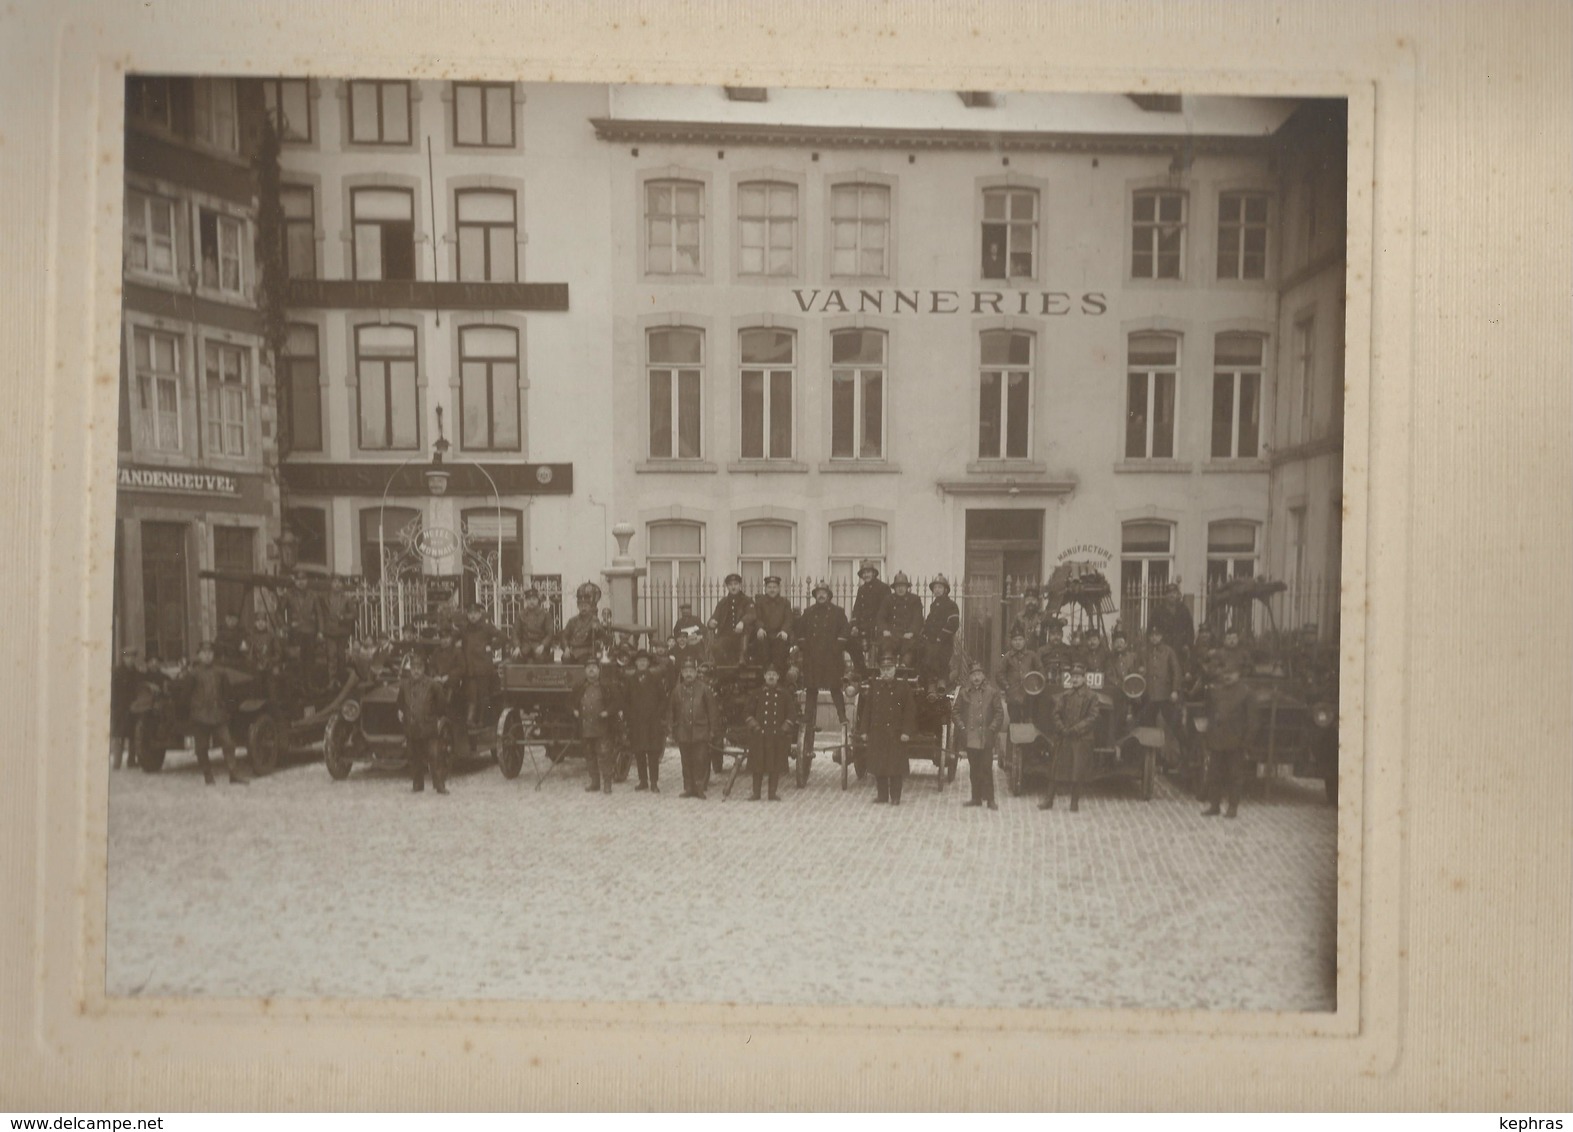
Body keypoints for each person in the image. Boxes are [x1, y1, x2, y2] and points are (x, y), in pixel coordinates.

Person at [176, 642, 250, 786]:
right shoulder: (193, 674)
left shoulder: (220, 672)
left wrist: (228, 710)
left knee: (228, 744)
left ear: (213, 655)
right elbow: (184, 697)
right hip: (200, 717)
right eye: (204, 653)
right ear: (199, 655)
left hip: (218, 716)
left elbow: (228, 694)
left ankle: (233, 774)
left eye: (210, 652)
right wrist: (188, 714)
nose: (207, 655)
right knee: (201, 748)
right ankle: (208, 776)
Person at [795, 580, 850, 745]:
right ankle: (808, 716)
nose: (821, 595)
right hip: (813, 657)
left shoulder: (838, 613)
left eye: (824, 593)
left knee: (835, 687)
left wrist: (837, 647)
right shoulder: (808, 612)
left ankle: (842, 716)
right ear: (815, 595)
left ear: (829, 595)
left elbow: (844, 631)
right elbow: (801, 632)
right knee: (812, 689)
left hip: (831, 657)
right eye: (818, 593)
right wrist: (805, 646)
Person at [1202, 659, 1258, 818]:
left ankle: (1233, 807)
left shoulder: (1246, 693)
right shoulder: (1216, 691)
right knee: (1214, 774)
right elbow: (1211, 715)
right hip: (1217, 741)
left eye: (1231, 674)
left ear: (1238, 674)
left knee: (1235, 776)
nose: (1227, 677)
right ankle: (1214, 805)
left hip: (1236, 742)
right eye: (1225, 673)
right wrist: (1209, 736)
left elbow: (1253, 722)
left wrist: (1246, 743)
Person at [859, 652, 916, 805]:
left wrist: (906, 732)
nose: (886, 672)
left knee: (896, 767)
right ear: (880, 670)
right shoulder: (875, 687)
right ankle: (882, 796)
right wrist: (864, 731)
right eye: (883, 669)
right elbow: (867, 711)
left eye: (889, 669)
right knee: (880, 766)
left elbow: (910, 712)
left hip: (896, 734)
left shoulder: (903, 688)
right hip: (878, 733)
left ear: (895, 669)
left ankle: (896, 796)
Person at [1042, 662, 1099, 812]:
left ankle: (1074, 803)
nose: (1075, 679)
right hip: (1064, 737)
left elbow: (1092, 718)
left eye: (1078, 677)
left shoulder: (1092, 696)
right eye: (1073, 677)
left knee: (1077, 772)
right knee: (1055, 770)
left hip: (1081, 739)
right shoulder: (1065, 695)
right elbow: (1056, 713)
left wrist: (1075, 729)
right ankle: (1048, 801)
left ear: (1084, 678)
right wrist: (1062, 728)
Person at [951, 660, 1005, 810]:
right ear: (969, 677)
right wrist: (962, 727)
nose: (976, 677)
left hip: (985, 737)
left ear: (983, 676)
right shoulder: (964, 693)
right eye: (973, 674)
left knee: (986, 768)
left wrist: (992, 729)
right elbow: (955, 712)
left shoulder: (992, 692)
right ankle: (975, 798)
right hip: (970, 737)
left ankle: (990, 799)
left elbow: (999, 713)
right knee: (974, 769)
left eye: (979, 674)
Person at [397, 649, 449, 794]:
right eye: (414, 668)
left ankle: (439, 785)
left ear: (423, 669)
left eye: (419, 668)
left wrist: (435, 718)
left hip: (428, 727)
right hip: (412, 728)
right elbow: (400, 702)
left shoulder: (432, 685)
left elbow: (441, 703)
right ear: (410, 670)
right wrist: (401, 712)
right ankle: (417, 784)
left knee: (434, 756)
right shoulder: (404, 685)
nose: (416, 671)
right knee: (414, 757)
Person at [744, 665, 799, 801]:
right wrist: (755, 727)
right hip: (759, 736)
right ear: (764, 676)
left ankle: (772, 793)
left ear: (778, 677)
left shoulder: (784, 694)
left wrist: (783, 729)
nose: (771, 677)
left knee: (774, 766)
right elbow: (747, 713)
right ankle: (756, 794)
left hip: (776, 736)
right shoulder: (757, 694)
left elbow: (791, 714)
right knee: (758, 766)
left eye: (774, 674)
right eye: (769, 674)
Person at [669, 657, 718, 799]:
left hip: (700, 731)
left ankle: (699, 788)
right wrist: (672, 730)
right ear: (682, 673)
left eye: (691, 671)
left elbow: (712, 711)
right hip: (683, 731)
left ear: (696, 673)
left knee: (700, 760)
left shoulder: (704, 689)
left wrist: (712, 730)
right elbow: (671, 711)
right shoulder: (677, 690)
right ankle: (688, 787)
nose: (688, 674)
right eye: (686, 671)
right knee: (686, 760)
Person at [574, 660, 623, 794]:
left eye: (594, 668)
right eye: (588, 667)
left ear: (599, 670)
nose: (591, 670)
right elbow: (570, 702)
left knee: (604, 755)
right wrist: (574, 710)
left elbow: (618, 701)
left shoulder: (607, 686)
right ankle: (595, 782)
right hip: (585, 727)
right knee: (589, 755)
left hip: (602, 728)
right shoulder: (580, 686)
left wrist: (607, 711)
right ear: (585, 671)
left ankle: (607, 783)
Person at [1140, 624, 1185, 769]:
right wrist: (1141, 671)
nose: (1154, 638)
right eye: (1152, 636)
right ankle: (1153, 761)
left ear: (1162, 636)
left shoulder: (1168, 651)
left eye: (1157, 635)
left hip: (1166, 696)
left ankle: (1182, 759)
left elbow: (1176, 671)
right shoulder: (1144, 651)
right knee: (1148, 728)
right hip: (1149, 696)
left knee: (1174, 727)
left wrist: (1175, 690)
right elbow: (1138, 668)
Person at [623, 650, 668, 793]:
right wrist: (630, 716)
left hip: (652, 722)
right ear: (635, 663)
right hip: (636, 722)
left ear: (648, 663)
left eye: (644, 661)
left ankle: (654, 782)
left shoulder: (655, 679)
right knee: (639, 752)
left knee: (653, 753)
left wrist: (657, 714)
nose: (642, 663)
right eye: (639, 661)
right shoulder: (630, 680)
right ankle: (643, 781)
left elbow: (663, 699)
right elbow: (626, 701)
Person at [848, 561, 890, 675]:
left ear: (874, 573)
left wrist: (879, 626)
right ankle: (861, 669)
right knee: (850, 642)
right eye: (864, 573)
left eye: (868, 572)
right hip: (863, 627)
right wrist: (854, 625)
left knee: (877, 653)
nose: (866, 575)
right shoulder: (861, 589)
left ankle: (876, 674)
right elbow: (856, 609)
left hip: (877, 627)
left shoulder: (883, 588)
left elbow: (885, 610)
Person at [995, 629, 1039, 735]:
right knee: (1014, 722)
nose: (1018, 642)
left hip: (1030, 696)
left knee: (1029, 722)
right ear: (1011, 642)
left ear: (1025, 641)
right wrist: (1007, 686)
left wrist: (1036, 686)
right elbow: (999, 674)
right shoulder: (1007, 657)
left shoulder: (1032, 656)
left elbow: (1040, 671)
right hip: (1013, 696)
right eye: (1015, 640)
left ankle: (1026, 749)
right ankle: (1012, 749)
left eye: (1020, 639)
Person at [875, 572, 924, 668]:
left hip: (908, 634)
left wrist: (912, 632)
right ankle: (887, 666)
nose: (900, 589)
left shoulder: (915, 600)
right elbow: (881, 617)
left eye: (903, 586)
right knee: (886, 645)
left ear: (907, 587)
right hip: (892, 634)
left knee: (910, 647)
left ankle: (904, 667)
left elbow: (918, 619)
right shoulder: (888, 599)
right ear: (894, 588)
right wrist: (884, 629)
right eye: (898, 586)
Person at [1104, 629, 1143, 745]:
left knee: (1135, 719)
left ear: (1126, 644)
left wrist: (1133, 689)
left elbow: (1138, 673)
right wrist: (1122, 686)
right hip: (1118, 694)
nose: (1119, 645)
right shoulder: (1110, 659)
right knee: (1115, 721)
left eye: (1121, 642)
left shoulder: (1133, 657)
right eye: (1116, 642)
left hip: (1133, 694)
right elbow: (1109, 675)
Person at [748, 575, 794, 671]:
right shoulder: (759, 602)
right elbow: (756, 618)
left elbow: (788, 619)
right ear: (765, 588)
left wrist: (784, 630)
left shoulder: (785, 603)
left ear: (779, 588)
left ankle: (779, 679)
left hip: (779, 634)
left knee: (780, 651)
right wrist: (760, 628)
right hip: (765, 634)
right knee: (762, 650)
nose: (772, 590)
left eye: (774, 587)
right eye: (769, 587)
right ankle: (764, 678)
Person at [920, 575, 961, 682]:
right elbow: (929, 622)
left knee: (939, 664)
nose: (937, 590)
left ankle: (941, 686)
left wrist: (940, 637)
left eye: (940, 587)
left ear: (945, 590)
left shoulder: (951, 605)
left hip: (943, 642)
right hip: (931, 641)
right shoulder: (934, 605)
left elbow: (953, 623)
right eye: (935, 588)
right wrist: (924, 633)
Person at [109, 647, 144, 770]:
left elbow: (141, 685)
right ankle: (117, 763)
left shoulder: (136, 673)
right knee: (118, 736)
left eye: (133, 657)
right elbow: (112, 692)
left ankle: (131, 760)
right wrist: (113, 708)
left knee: (133, 735)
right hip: (119, 709)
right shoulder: (117, 673)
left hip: (133, 708)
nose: (130, 659)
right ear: (123, 658)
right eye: (128, 657)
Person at [707, 574, 753, 667]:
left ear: (740, 585)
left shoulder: (747, 600)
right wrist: (711, 623)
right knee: (716, 647)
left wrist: (742, 622)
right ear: (727, 586)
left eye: (735, 584)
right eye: (730, 584)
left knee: (743, 648)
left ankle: (741, 660)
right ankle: (724, 670)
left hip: (742, 636)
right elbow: (715, 617)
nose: (733, 587)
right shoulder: (723, 602)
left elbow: (751, 614)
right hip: (726, 636)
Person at [280, 571, 323, 665]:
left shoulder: (313, 595)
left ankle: (309, 679)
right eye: (298, 579)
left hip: (310, 631)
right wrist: (284, 626)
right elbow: (279, 612)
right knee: (296, 658)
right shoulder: (288, 594)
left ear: (307, 581)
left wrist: (320, 631)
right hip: (295, 631)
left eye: (303, 579)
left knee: (310, 658)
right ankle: (297, 679)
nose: (301, 582)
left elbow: (319, 613)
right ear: (294, 581)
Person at [322, 576, 357, 686]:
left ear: (342, 585)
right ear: (331, 584)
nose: (337, 585)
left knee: (341, 656)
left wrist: (344, 617)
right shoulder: (324, 597)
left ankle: (341, 680)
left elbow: (355, 614)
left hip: (342, 631)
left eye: (339, 583)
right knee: (331, 655)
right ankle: (331, 680)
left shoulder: (347, 599)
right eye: (335, 582)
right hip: (329, 631)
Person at [560, 585, 603, 665]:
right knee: (565, 659)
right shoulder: (572, 621)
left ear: (590, 607)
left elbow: (601, 635)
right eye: (581, 606)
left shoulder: (594, 620)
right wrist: (566, 648)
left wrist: (597, 629)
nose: (583, 608)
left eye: (586, 606)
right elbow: (564, 636)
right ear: (578, 607)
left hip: (587, 650)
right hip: (573, 650)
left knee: (583, 662)